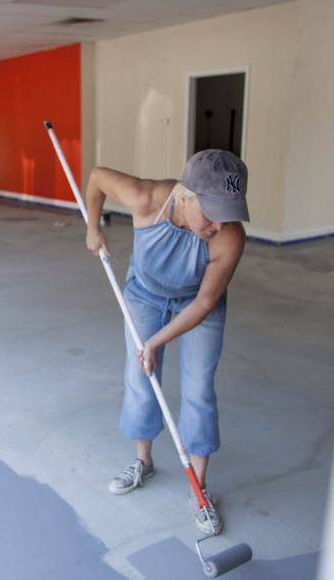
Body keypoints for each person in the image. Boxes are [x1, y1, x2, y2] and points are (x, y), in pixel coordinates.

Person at [83, 149, 249, 535]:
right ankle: (144, 461)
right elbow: (95, 177)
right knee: (141, 377)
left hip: (197, 302)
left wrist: (156, 341)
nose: (220, 224)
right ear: (185, 195)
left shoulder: (230, 237)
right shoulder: (147, 198)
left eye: (230, 211)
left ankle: (200, 487)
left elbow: (206, 302)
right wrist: (94, 228)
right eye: (212, 211)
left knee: (199, 387)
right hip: (145, 292)